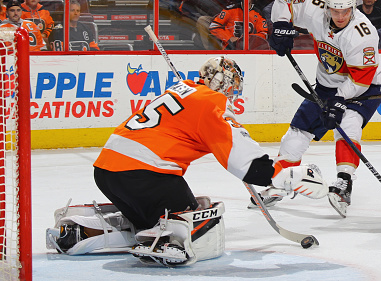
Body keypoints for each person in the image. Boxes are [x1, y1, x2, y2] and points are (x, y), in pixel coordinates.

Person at [49, 56, 328, 264]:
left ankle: (82, 232)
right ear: (223, 83)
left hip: (107, 171)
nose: (232, 94)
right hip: (146, 174)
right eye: (232, 88)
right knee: (198, 221)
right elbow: (249, 165)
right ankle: (166, 241)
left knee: (146, 220)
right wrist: (287, 176)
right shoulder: (211, 103)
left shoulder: (180, 90)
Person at [268, 0, 381, 217]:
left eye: (346, 11)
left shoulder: (363, 33)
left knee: (348, 124)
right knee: (298, 130)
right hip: (326, 85)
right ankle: (280, 180)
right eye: (335, 10)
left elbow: (361, 79)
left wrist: (340, 99)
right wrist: (280, 25)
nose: (340, 16)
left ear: (353, 7)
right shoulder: (315, 8)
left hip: (363, 87)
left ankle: (344, 183)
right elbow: (284, 0)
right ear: (327, 6)